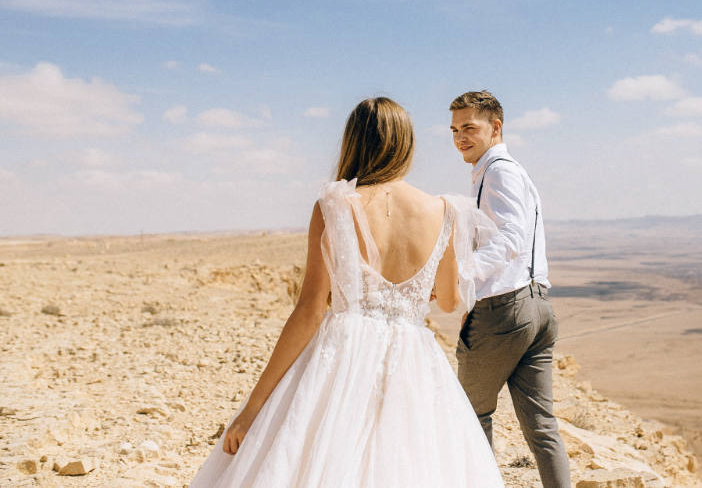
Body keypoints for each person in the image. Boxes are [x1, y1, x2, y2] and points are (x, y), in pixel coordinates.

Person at [188, 97, 504, 488]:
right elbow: (451, 301)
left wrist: (252, 408)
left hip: (342, 355)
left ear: (354, 141)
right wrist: (416, 293)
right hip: (414, 358)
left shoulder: (334, 206)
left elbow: (309, 311)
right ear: (406, 144)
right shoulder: (444, 211)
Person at [449, 90, 572, 488]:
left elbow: (511, 237)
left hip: (505, 308)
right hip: (538, 307)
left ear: (495, 126)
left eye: (469, 127)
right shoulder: (509, 170)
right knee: (541, 426)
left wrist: (462, 277)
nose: (459, 137)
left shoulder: (498, 170)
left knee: (471, 414)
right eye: (454, 129)